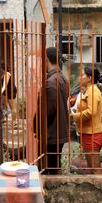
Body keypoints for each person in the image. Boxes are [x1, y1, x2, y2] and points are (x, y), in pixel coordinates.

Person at [34, 47, 69, 175]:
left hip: (51, 134)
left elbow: (47, 112)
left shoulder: (51, 82)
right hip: (57, 132)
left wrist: (37, 127)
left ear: (46, 59)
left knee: (47, 170)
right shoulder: (61, 78)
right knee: (53, 167)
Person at [71, 66, 102, 174]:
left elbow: (91, 112)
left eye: (82, 75)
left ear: (89, 78)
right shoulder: (89, 90)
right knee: (92, 167)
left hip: (92, 134)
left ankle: (101, 189)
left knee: (95, 168)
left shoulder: (92, 91)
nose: (79, 78)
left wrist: (74, 116)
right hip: (89, 133)